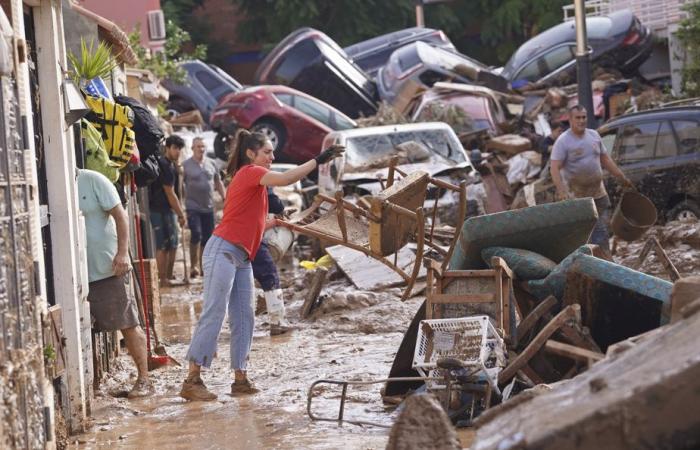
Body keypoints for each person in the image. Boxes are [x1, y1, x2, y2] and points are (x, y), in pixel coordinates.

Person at [179, 130, 344, 401]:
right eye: (267, 152)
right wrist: (318, 160)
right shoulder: (249, 172)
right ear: (251, 154)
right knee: (215, 311)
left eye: (271, 152)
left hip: (243, 256)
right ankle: (192, 379)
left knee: (246, 316)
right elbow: (288, 177)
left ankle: (240, 379)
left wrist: (278, 222)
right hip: (222, 251)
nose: (272, 156)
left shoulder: (256, 185)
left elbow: (253, 222)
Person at [77, 169, 152, 398]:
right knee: (86, 329)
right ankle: (92, 386)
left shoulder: (93, 180)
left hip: (108, 268)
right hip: (79, 274)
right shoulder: (50, 187)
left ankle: (144, 380)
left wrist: (122, 254)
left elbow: (121, 216)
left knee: (127, 322)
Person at [550, 105, 634, 255]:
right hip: (578, 197)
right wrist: (561, 191)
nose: (581, 121)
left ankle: (601, 257)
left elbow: (606, 160)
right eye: (578, 117)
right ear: (570, 119)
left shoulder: (594, 136)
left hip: (598, 193)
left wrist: (622, 178)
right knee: (593, 230)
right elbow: (554, 168)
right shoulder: (563, 141)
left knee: (602, 228)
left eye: (584, 117)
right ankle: (602, 259)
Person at [183, 137, 225, 278]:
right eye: (198, 146)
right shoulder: (186, 165)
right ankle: (193, 266)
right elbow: (179, 186)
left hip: (208, 207)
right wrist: (181, 207)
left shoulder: (212, 163)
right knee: (196, 234)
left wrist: (225, 198)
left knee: (208, 239)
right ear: (192, 148)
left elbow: (218, 183)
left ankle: (203, 267)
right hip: (192, 206)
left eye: (203, 146)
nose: (201, 149)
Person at [149, 135, 187, 286]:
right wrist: (181, 214)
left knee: (172, 244)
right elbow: (170, 192)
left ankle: (169, 276)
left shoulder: (170, 165)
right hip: (160, 209)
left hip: (167, 210)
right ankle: (162, 278)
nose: (177, 151)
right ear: (168, 148)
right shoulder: (165, 165)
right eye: (175, 148)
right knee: (163, 245)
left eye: (179, 149)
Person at [255, 188, 292, 336]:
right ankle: (278, 322)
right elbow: (274, 202)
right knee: (269, 275)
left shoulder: (238, 180)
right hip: (252, 240)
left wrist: (276, 219)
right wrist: (279, 215)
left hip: (235, 238)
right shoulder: (258, 177)